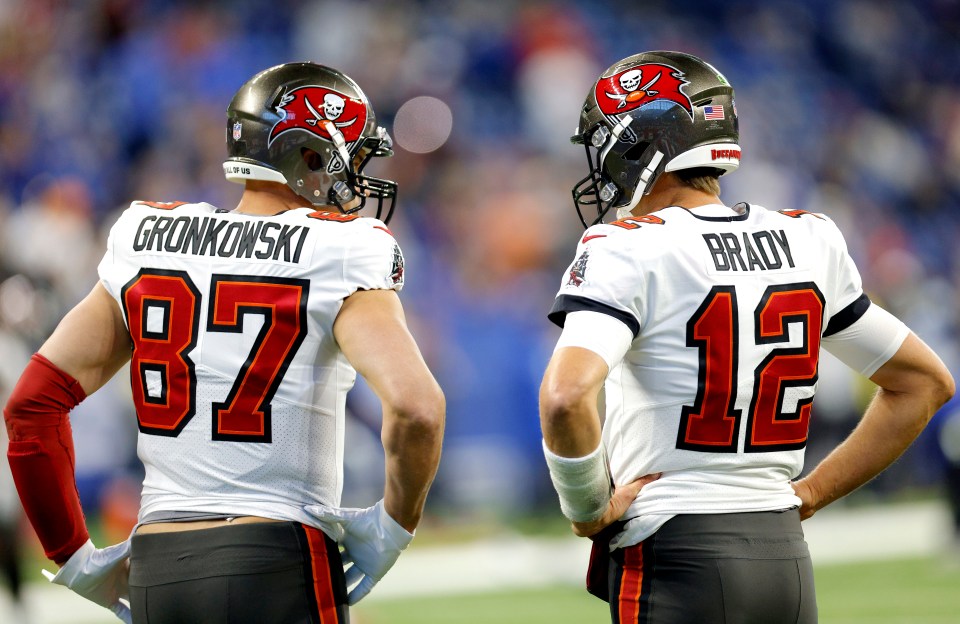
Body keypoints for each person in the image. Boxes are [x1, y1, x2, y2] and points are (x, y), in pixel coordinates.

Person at [3, 61, 445, 624]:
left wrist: (73, 557)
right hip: (276, 555)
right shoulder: (341, 250)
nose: (355, 181)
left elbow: (31, 407)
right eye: (350, 159)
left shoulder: (146, 239)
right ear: (309, 156)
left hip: (158, 566)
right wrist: (392, 528)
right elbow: (417, 409)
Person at [539, 50, 954, 623]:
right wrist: (810, 493)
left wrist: (585, 507)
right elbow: (924, 384)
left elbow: (565, 396)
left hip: (676, 552)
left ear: (639, 142)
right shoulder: (808, 238)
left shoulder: (628, 247)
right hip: (786, 558)